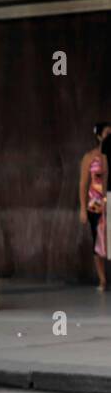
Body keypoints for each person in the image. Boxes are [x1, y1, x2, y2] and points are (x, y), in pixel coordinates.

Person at [78, 121, 109, 292]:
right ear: (99, 136)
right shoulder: (89, 157)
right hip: (95, 204)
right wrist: (83, 208)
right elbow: (83, 183)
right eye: (107, 133)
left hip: (110, 202)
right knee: (98, 241)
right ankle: (102, 279)